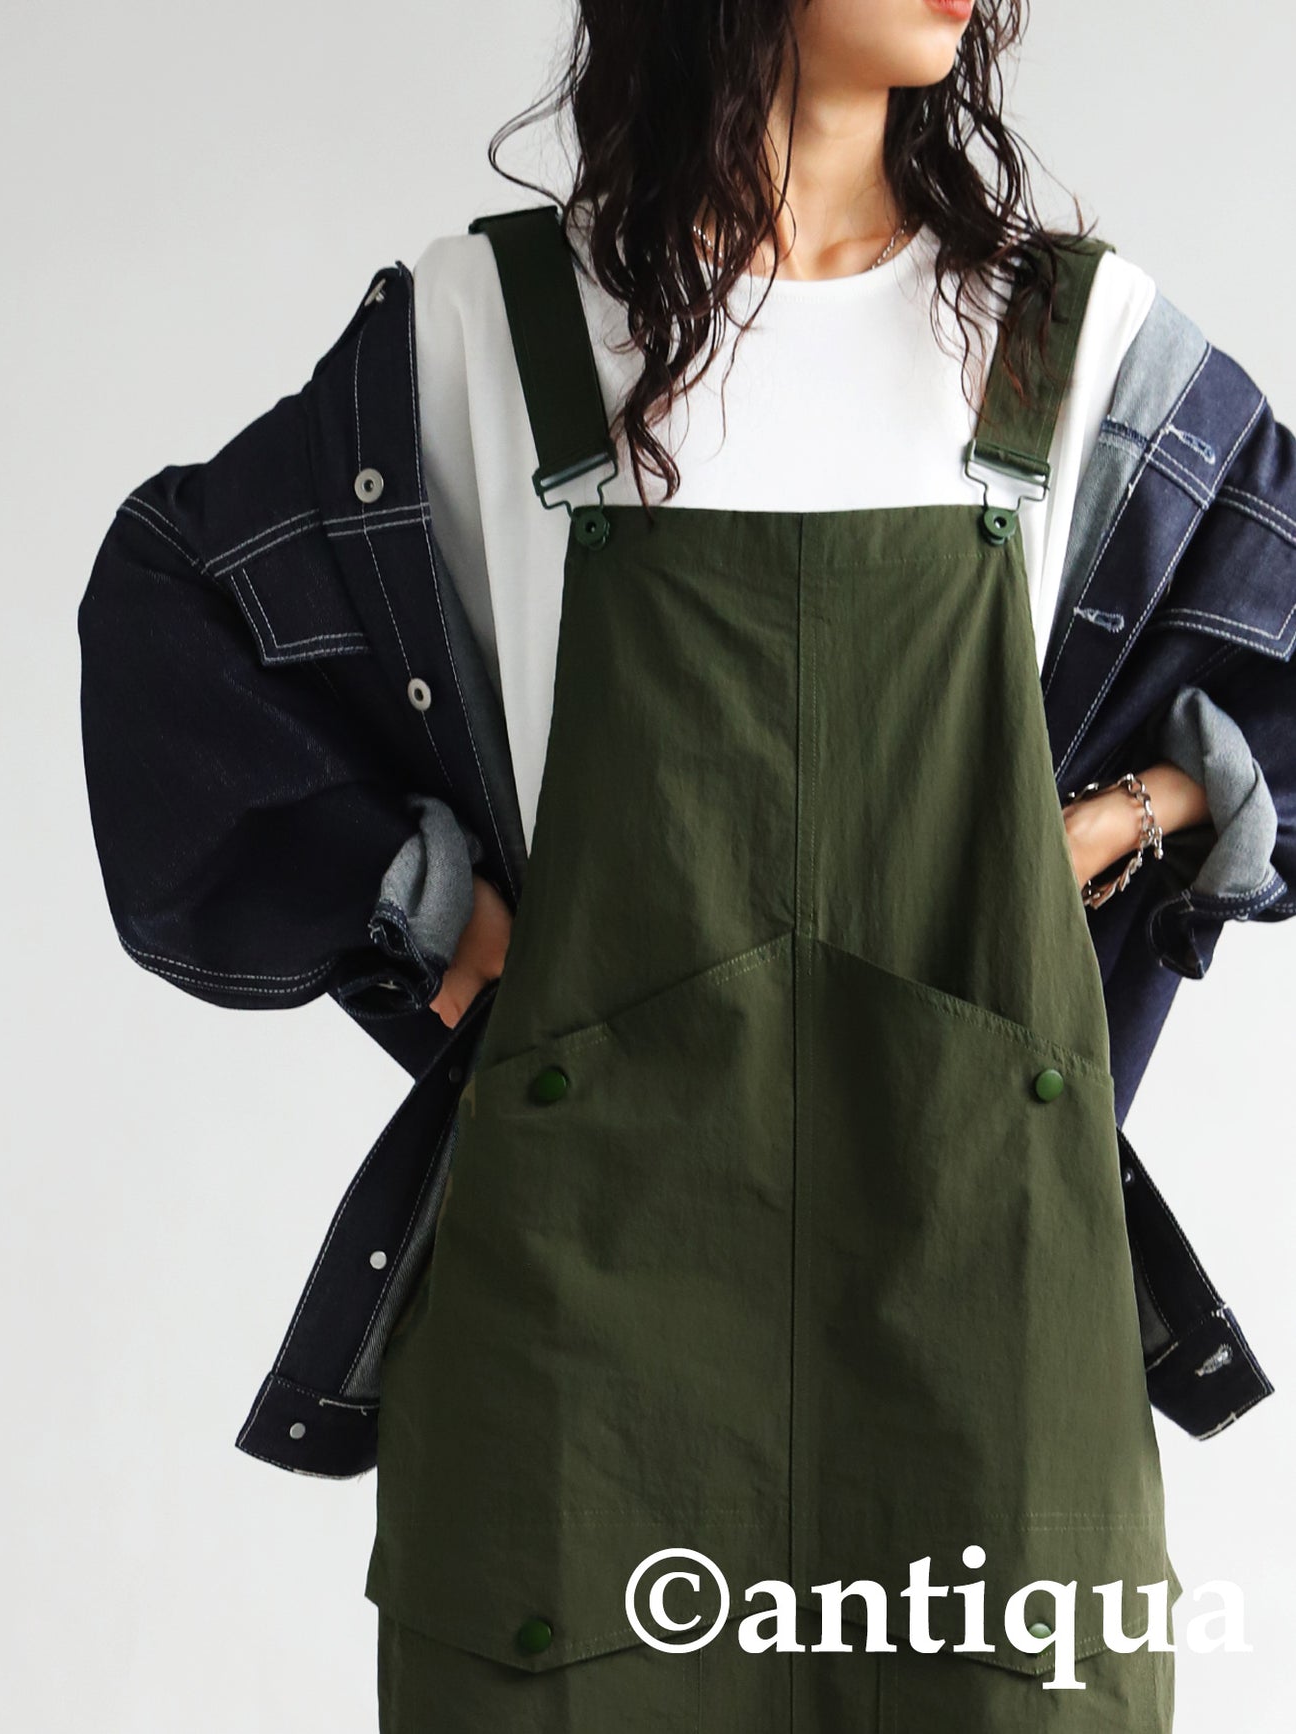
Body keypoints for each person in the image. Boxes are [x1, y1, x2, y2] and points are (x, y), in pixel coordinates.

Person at [362, 2, 1204, 1728]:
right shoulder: (496, 318)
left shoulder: (1059, 331)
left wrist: (1123, 815)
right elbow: (183, 631)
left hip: (978, 1298)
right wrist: (424, 905)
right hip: (588, 1335)